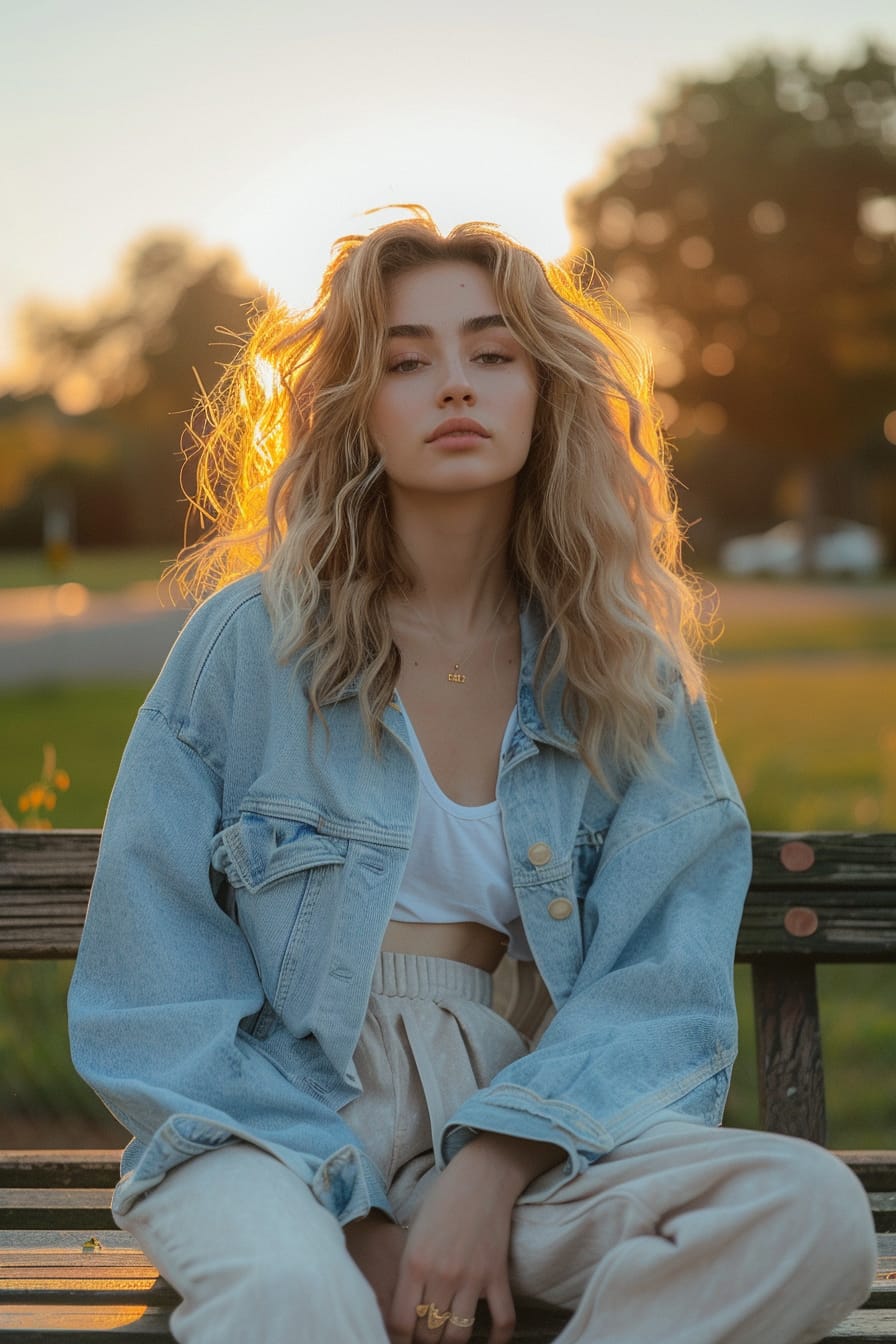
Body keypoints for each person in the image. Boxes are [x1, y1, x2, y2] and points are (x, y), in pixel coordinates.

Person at [68, 207, 876, 1344]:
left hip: (519, 1124)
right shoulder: (245, 645)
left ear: (543, 393)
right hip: (261, 1129)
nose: (455, 384)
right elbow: (153, 995)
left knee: (807, 1213)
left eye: (492, 355)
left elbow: (659, 981)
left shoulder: (620, 672)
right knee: (297, 1297)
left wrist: (489, 1169)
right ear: (357, 408)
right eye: (408, 361)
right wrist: (358, 1220)